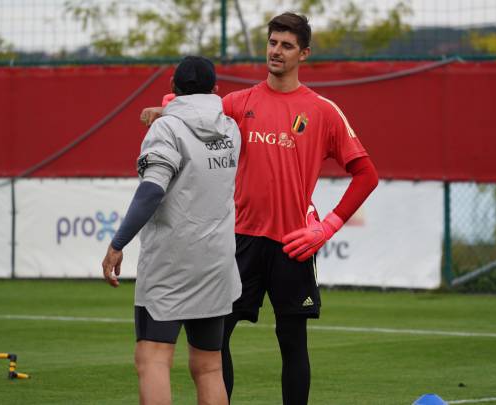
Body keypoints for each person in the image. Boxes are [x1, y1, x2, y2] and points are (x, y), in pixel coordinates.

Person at [141, 12, 379, 405]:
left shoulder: (322, 111)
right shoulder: (240, 102)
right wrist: (164, 109)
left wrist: (327, 227)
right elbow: (198, 112)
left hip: (293, 244)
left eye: (287, 46)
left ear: (304, 54)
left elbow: (367, 174)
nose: (276, 51)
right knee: (217, 341)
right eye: (272, 43)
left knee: (292, 341)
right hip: (239, 241)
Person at [102, 55, 242, 405]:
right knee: (209, 367)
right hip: (217, 262)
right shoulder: (230, 128)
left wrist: (118, 243)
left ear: (171, 88)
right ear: (215, 89)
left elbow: (152, 190)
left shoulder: (165, 129)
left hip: (171, 263)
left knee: (153, 360)